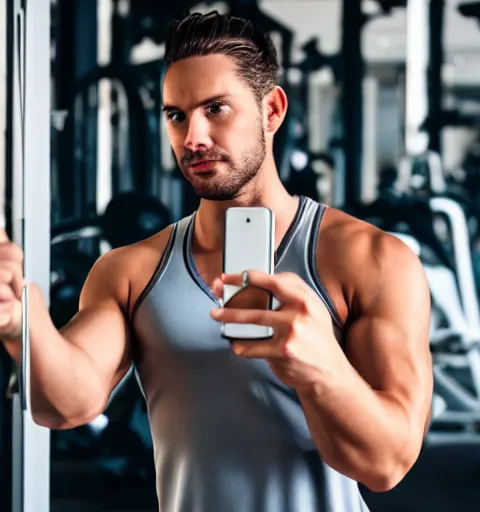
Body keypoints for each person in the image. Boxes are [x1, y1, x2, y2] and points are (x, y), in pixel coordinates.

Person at [0, 11, 433, 512]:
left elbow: (387, 464)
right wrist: (19, 319)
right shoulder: (131, 271)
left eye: (216, 109)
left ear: (271, 110)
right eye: (176, 115)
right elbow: (66, 404)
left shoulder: (373, 260)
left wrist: (321, 368)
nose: (192, 138)